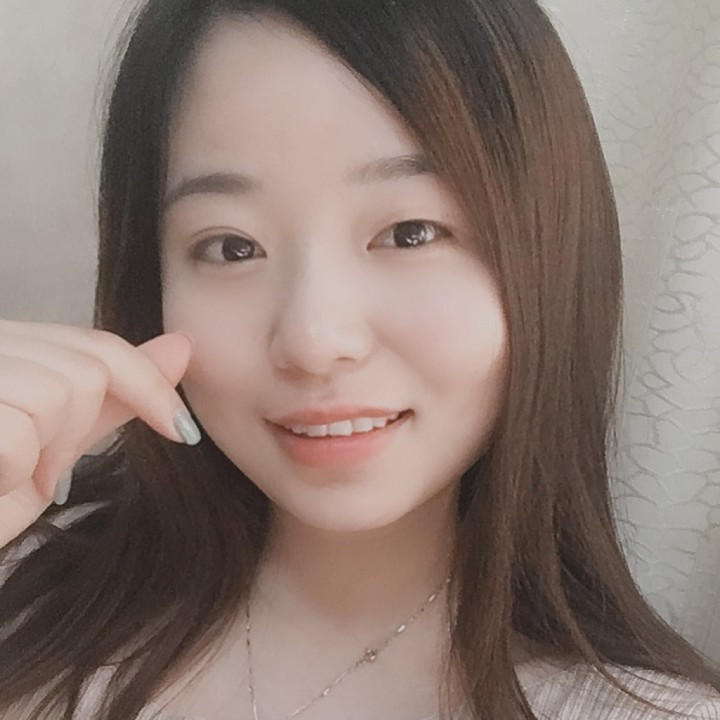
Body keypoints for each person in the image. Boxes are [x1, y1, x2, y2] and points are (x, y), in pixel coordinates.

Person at [0, 0, 719, 718]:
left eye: (410, 233)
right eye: (231, 247)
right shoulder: (27, 605)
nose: (313, 342)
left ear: (549, 255)